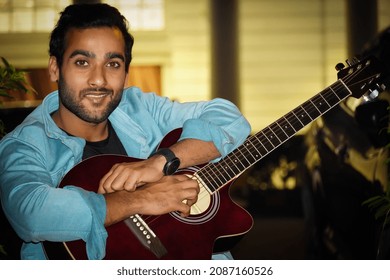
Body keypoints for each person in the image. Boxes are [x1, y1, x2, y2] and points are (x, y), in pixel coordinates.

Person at [0, 3, 251, 260]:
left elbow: (229, 119)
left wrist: (161, 162)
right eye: (82, 62)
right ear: (55, 68)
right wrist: (141, 199)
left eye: (113, 64)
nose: (98, 80)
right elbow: (31, 212)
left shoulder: (140, 108)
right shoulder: (23, 145)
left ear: (126, 73)